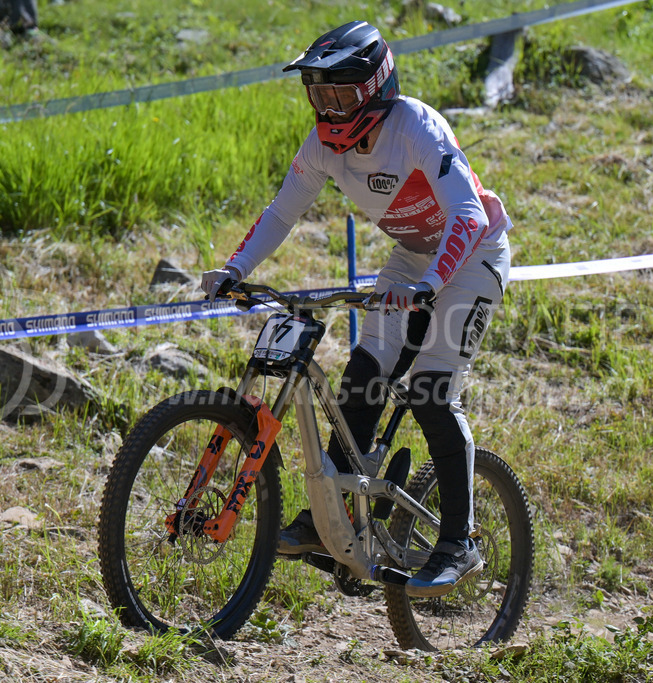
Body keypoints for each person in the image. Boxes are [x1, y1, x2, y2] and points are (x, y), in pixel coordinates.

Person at [200, 21, 512, 598]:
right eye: (317, 94)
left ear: (374, 88)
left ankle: (459, 540)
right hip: (415, 254)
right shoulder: (321, 145)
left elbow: (467, 215)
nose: (327, 107)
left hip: (471, 255)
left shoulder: (415, 124)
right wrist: (235, 270)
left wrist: (432, 287)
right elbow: (281, 213)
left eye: (339, 94)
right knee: (364, 373)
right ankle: (333, 520)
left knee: (430, 390)